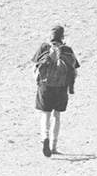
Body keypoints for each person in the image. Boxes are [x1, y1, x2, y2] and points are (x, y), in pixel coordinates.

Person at [31, 24, 79, 157]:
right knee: (57, 116)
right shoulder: (67, 50)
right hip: (61, 88)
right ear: (62, 37)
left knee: (45, 115)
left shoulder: (44, 48)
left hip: (45, 87)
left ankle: (44, 138)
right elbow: (74, 69)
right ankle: (54, 146)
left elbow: (35, 67)